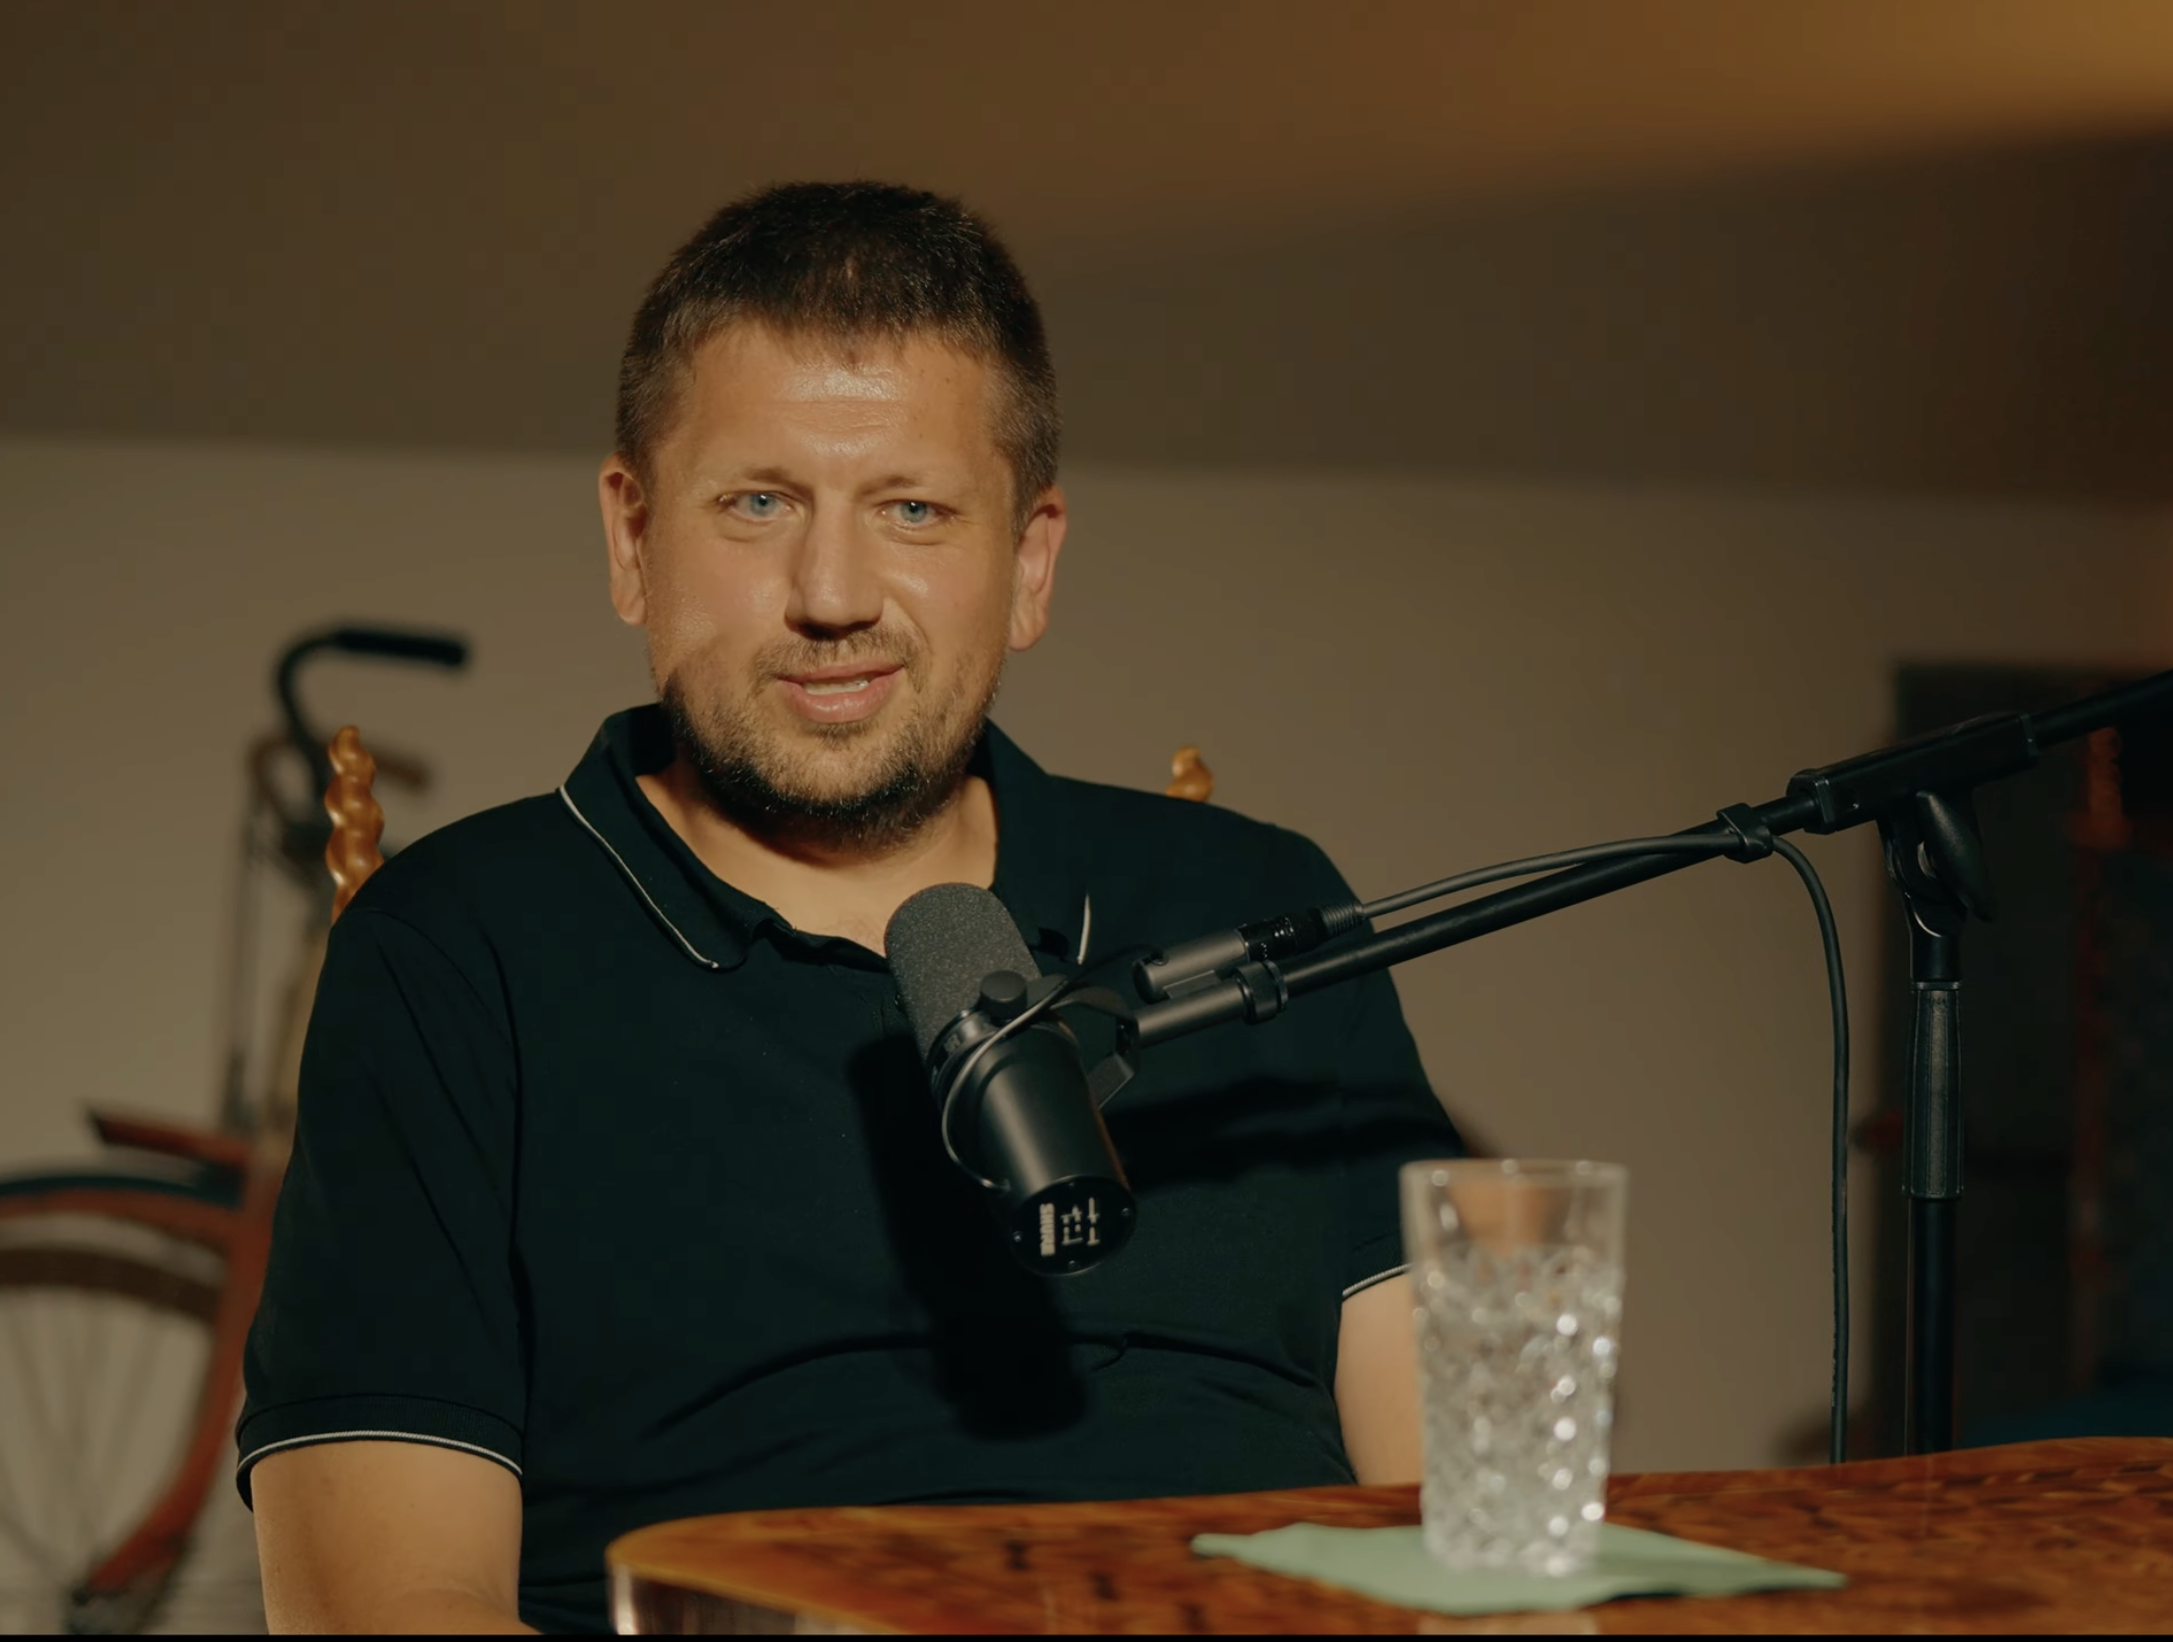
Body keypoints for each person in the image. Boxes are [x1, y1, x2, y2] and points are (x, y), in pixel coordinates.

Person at [240, 181, 1458, 1634]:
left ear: (1030, 563)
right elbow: (389, 1610)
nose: (832, 593)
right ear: (632, 538)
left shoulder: (1258, 907)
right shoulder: (456, 951)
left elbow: (1474, 1521)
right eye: (758, 503)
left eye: (913, 510)